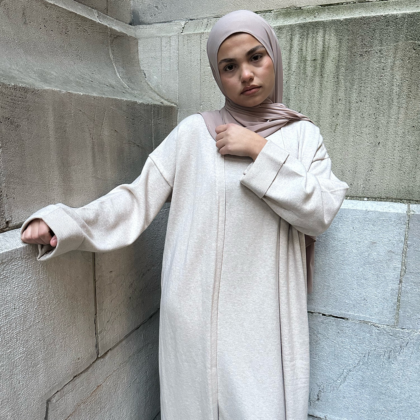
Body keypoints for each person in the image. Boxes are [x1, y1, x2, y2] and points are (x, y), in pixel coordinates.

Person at [21, 10, 348, 420]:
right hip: (194, 320)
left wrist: (258, 149)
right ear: (217, 75)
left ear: (274, 58)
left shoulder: (303, 137)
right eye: (229, 66)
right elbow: (135, 199)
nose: (246, 74)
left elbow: (319, 212)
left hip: (264, 325)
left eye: (256, 57)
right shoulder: (195, 133)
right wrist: (64, 224)